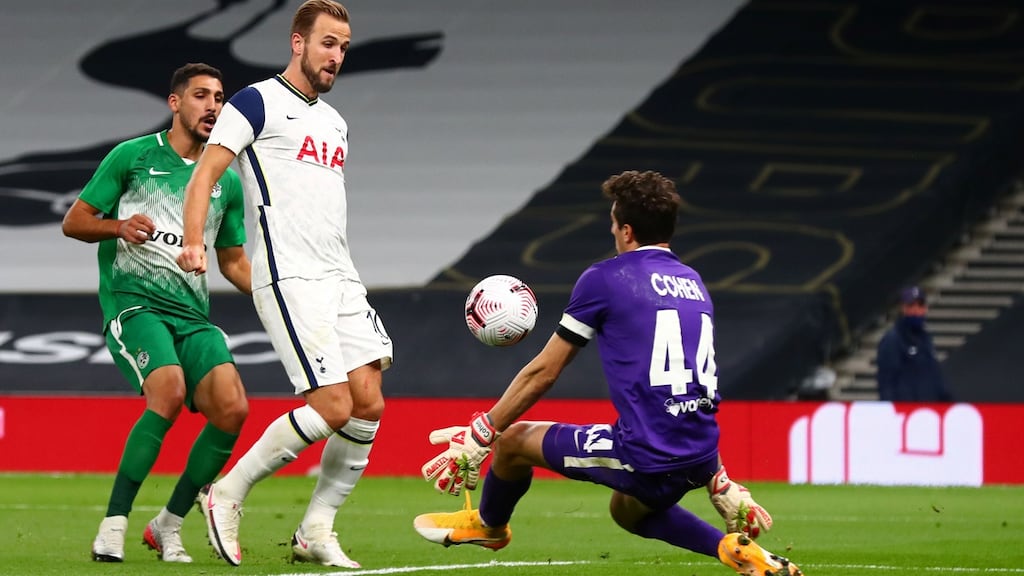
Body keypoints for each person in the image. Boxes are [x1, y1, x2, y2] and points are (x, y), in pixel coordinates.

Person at [414, 170, 803, 576]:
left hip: (648, 454)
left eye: (614, 223)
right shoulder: (692, 282)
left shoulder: (604, 279)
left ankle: (489, 526)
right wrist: (717, 478)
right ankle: (731, 550)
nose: (613, 231)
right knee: (627, 511)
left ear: (628, 230)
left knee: (512, 442)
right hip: (701, 452)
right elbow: (691, 384)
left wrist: (483, 432)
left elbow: (544, 372)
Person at [175, 0, 391, 568]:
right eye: (327, 43)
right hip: (289, 273)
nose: (336, 56)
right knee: (334, 405)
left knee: (368, 402)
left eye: (343, 46)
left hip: (341, 274)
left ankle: (316, 529)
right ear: (298, 43)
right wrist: (194, 240)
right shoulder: (255, 101)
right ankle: (226, 492)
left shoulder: (336, 122)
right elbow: (205, 175)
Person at [62, 63, 251, 564]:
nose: (213, 106)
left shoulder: (225, 182)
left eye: (219, 97)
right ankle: (113, 525)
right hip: (135, 303)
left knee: (233, 409)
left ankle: (168, 524)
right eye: (201, 96)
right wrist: (119, 226)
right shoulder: (133, 156)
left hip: (192, 314)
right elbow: (75, 221)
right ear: (175, 103)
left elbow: (232, 260)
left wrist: (281, 295)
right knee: (166, 390)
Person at [876, 286, 953, 402]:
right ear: (903, 308)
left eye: (920, 305)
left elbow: (934, 374)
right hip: (907, 412)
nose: (917, 310)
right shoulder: (893, 339)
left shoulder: (925, 338)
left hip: (929, 410)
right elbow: (886, 382)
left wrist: (947, 400)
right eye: (911, 306)